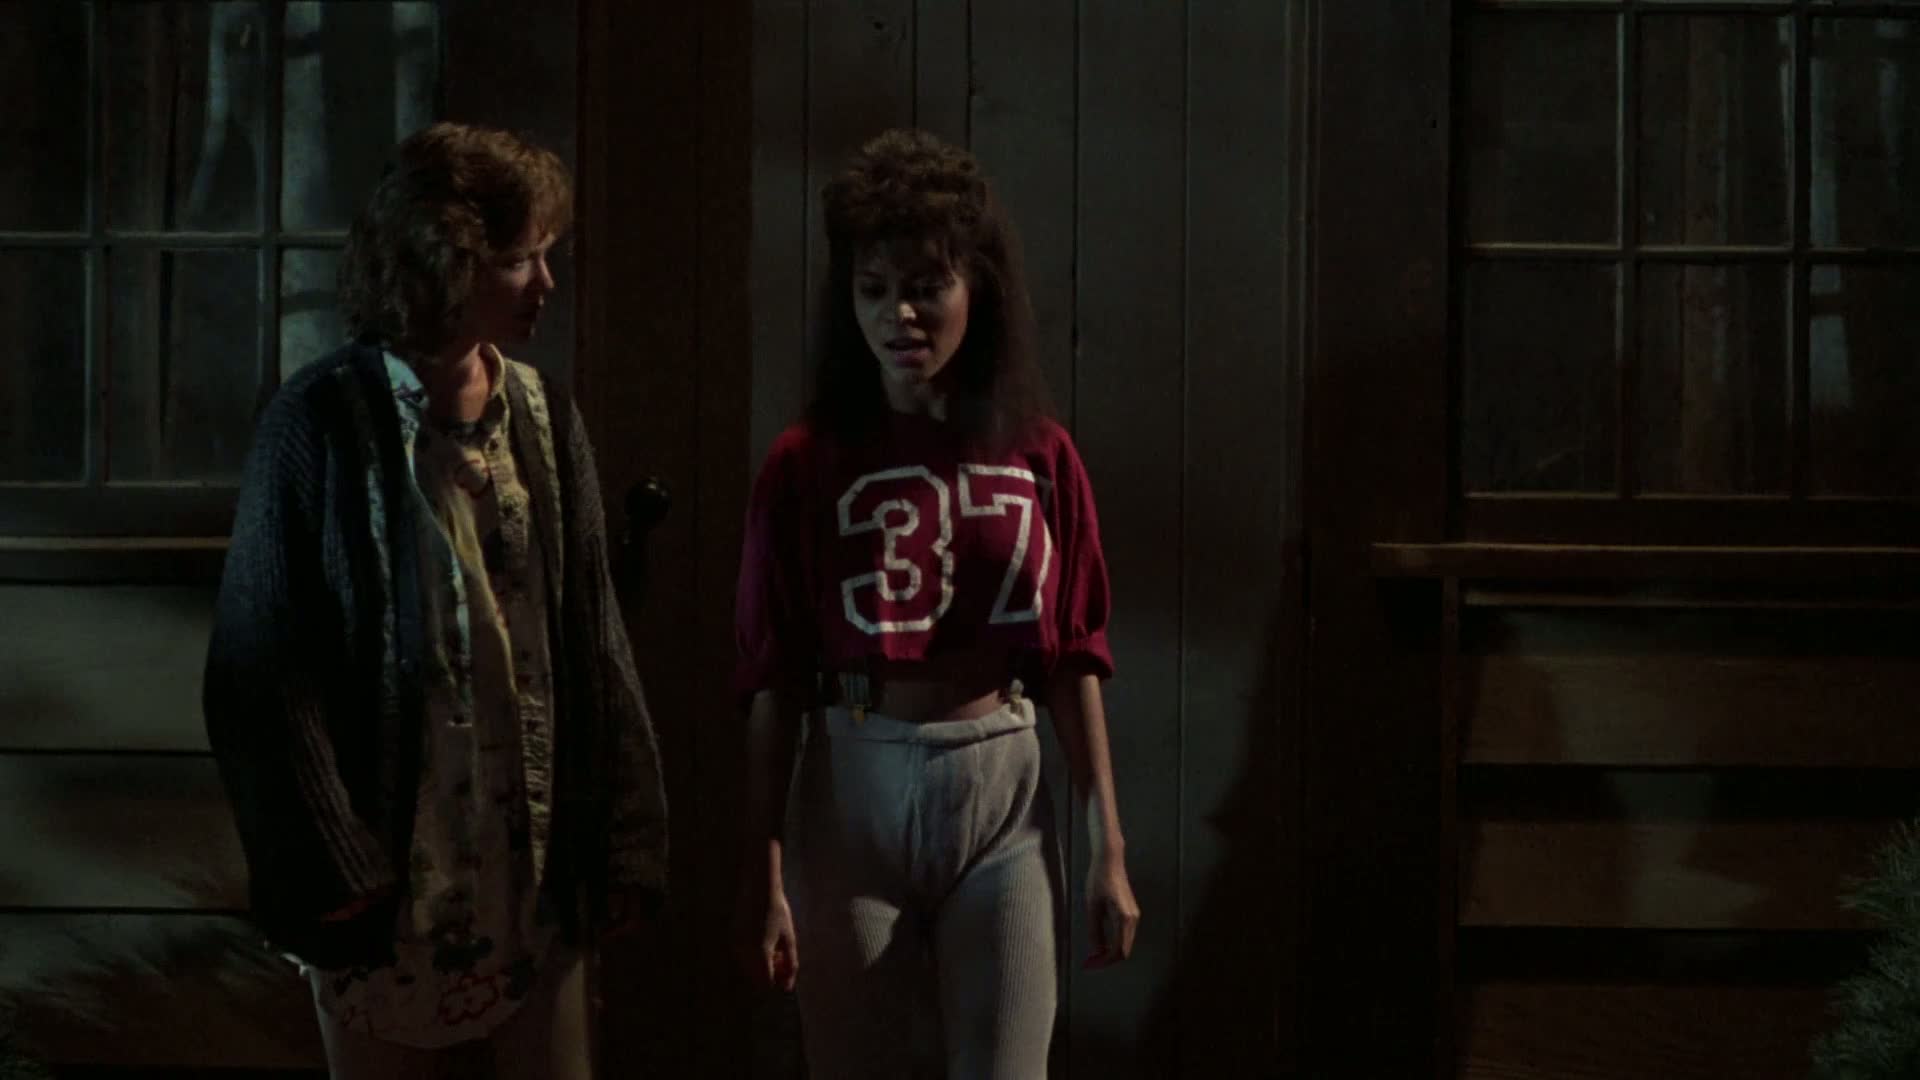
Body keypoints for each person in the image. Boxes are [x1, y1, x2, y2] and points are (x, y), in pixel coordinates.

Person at [203, 122, 668, 1080]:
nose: (545, 282)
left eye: (545, 255)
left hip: (532, 869)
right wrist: (333, 860)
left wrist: (625, 839)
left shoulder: (544, 415)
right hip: (391, 880)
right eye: (520, 259)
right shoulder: (318, 424)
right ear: (446, 263)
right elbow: (258, 668)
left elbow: (595, 639)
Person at [733, 128, 1141, 1078]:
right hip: (856, 774)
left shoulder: (1037, 452)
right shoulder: (806, 461)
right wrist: (762, 876)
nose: (900, 315)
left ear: (976, 289)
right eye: (874, 290)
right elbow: (773, 680)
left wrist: (1108, 848)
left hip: (1002, 778)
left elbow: (1075, 655)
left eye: (926, 287)